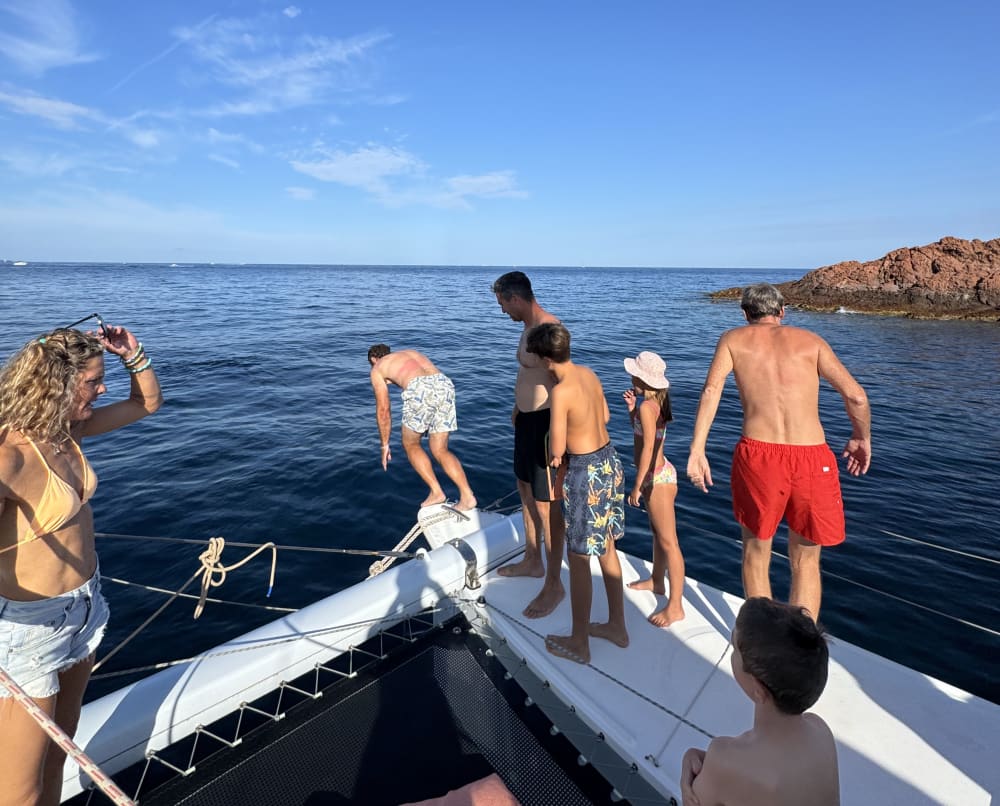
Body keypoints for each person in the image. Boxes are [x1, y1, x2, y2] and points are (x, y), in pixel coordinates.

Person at [0, 318, 163, 806]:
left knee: (58, 755)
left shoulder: (68, 431)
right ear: (57, 385)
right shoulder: (9, 458)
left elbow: (146, 403)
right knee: (19, 789)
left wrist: (132, 355)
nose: (102, 387)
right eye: (92, 381)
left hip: (84, 609)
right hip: (30, 631)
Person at [686, 283, 870, 619]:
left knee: (756, 552)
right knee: (806, 560)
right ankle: (802, 644)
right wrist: (861, 437)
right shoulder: (811, 342)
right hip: (812, 455)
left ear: (745, 314)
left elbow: (711, 390)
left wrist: (697, 449)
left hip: (759, 456)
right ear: (782, 312)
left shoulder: (733, 339)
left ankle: (761, 641)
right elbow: (856, 396)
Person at [526, 323, 628, 664]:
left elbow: (556, 449)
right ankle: (617, 625)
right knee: (607, 547)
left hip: (585, 473)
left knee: (580, 558)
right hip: (610, 460)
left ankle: (580, 641)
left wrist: (557, 454)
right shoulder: (589, 373)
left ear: (543, 358)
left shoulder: (561, 391)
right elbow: (608, 416)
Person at [680, 597, 839, 806]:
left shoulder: (723, 757)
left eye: (734, 648)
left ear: (758, 688)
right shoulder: (820, 731)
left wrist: (688, 769)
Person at [492, 271, 566, 618]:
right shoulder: (526, 327)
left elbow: (564, 384)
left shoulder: (549, 329)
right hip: (525, 421)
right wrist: (517, 409)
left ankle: (555, 584)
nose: (503, 312)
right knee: (523, 490)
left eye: (503, 305)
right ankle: (532, 559)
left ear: (515, 298)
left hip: (545, 426)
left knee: (547, 504)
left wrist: (560, 438)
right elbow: (531, 375)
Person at [368, 344, 476, 511]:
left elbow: (383, 410)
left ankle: (436, 492)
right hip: (444, 384)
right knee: (440, 450)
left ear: (374, 360)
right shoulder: (410, 352)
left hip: (420, 389)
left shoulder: (378, 368)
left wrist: (384, 444)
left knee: (411, 444)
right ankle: (467, 496)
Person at [622, 351, 685, 627]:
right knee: (658, 535)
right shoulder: (650, 405)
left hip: (655, 479)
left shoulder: (649, 408)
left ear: (642, 378)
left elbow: (648, 448)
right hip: (656, 475)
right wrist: (631, 410)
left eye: (634, 373)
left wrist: (637, 486)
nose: (630, 376)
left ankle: (676, 606)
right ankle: (657, 581)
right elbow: (642, 435)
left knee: (669, 542)